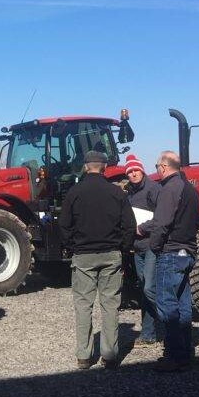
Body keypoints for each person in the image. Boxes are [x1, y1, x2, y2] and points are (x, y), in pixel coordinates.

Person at [59, 150, 136, 370]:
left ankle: (84, 356)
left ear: (85, 167)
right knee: (110, 305)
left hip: (83, 255)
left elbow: (63, 225)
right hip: (111, 254)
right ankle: (110, 356)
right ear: (104, 168)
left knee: (83, 305)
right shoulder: (117, 193)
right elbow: (129, 226)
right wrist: (122, 248)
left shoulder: (74, 193)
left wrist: (73, 246)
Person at [137, 151, 199, 372]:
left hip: (171, 253)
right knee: (183, 304)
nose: (156, 170)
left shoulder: (168, 189)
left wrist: (155, 246)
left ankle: (173, 354)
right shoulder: (191, 190)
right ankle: (186, 350)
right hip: (188, 252)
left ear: (164, 167)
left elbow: (162, 223)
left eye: (156, 166)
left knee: (166, 305)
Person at [123, 154, 161, 346]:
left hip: (152, 245)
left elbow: (162, 217)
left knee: (149, 288)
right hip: (137, 248)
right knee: (144, 288)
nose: (133, 174)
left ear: (142, 170)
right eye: (130, 172)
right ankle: (148, 333)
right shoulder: (128, 193)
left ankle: (169, 324)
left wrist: (142, 228)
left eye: (136, 170)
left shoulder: (153, 189)